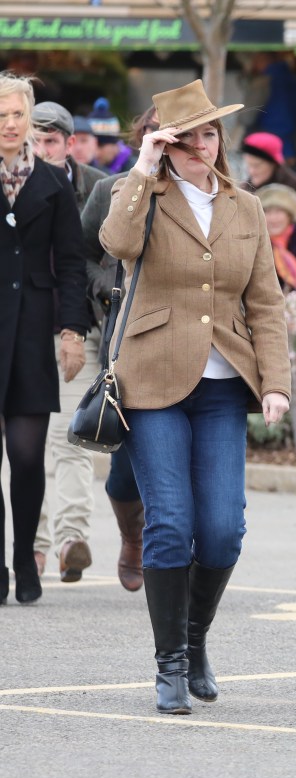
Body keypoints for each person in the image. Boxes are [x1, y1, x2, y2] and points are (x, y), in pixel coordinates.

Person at [99, 79, 291, 714]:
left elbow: (265, 303)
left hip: (221, 387)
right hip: (153, 380)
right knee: (172, 524)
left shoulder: (246, 207)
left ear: (220, 140)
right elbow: (117, 245)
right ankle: (170, 664)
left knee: (221, 532)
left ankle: (196, 637)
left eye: (207, 135)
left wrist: (276, 384)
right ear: (164, 144)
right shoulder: (143, 196)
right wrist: (144, 167)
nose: (198, 147)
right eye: (183, 139)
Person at [0, 71, 88, 605]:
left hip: (33, 329)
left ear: (29, 117)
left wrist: (72, 330)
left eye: (16, 115)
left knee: (27, 456)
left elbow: (73, 264)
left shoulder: (54, 183)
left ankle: (23, 556)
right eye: (0, 116)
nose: (8, 125)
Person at [79, 104, 161, 593]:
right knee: (125, 465)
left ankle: (173, 547)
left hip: (191, 343)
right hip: (126, 336)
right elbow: (86, 251)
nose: (162, 140)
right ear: (139, 137)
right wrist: (105, 287)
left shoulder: (211, 194)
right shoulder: (108, 190)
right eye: (153, 131)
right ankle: (133, 534)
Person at [30, 101, 107, 581]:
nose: (40, 151)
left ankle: (71, 540)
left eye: (50, 142)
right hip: (21, 329)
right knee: (25, 443)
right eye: (32, 142)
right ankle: (32, 545)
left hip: (82, 328)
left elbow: (107, 256)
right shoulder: (9, 183)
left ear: (70, 144)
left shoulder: (98, 188)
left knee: (71, 438)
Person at [256, 183, 296, 296]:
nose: (273, 218)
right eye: (267, 212)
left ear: (290, 216)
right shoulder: (255, 244)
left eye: (279, 212)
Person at [241, 131, 296, 234]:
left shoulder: (295, 186)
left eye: (257, 166)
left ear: (274, 164)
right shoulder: (245, 189)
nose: (251, 171)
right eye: (248, 165)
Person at [88, 97, 136, 174]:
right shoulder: (91, 168)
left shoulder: (135, 169)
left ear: (115, 143)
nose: (96, 152)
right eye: (92, 145)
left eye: (100, 145)